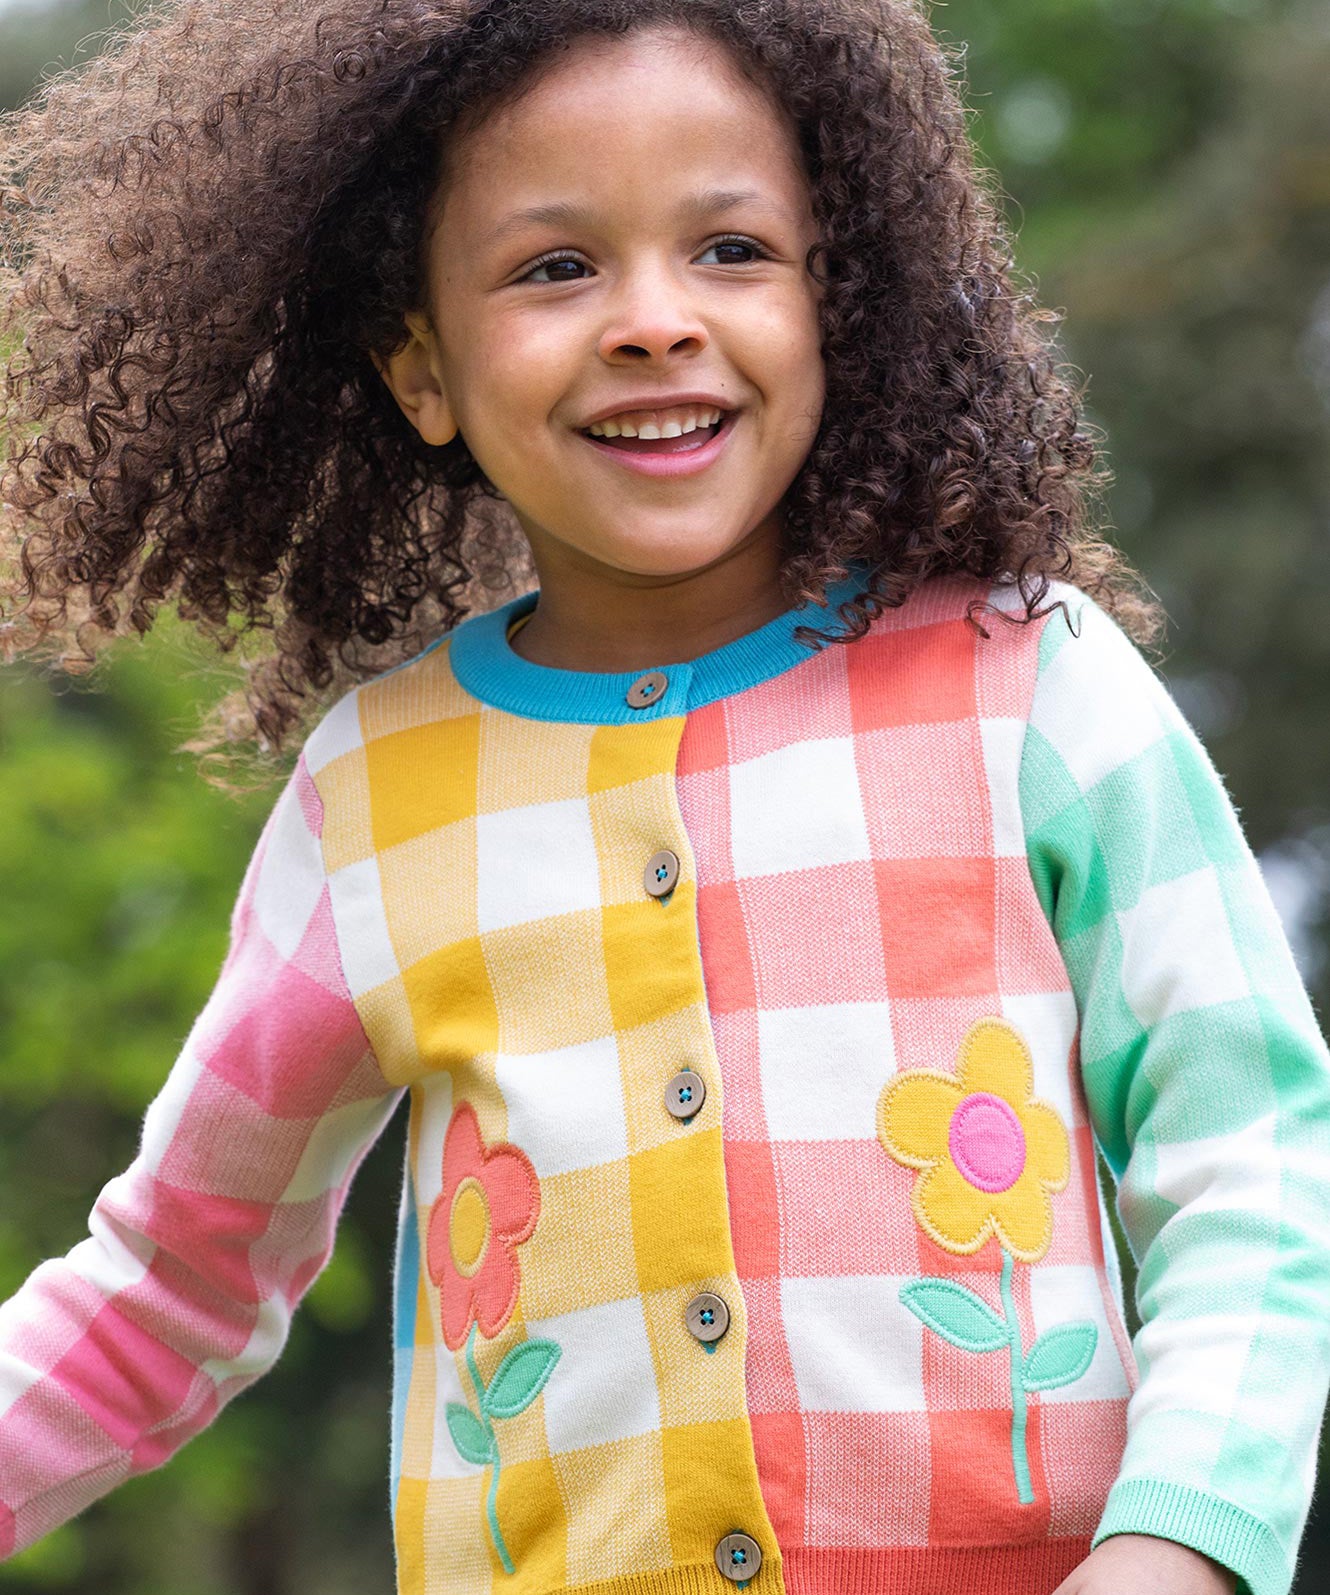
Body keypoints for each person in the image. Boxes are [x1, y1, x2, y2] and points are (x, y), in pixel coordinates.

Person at [1, 1, 1327, 1593]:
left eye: (732, 250)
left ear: (839, 304)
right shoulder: (375, 794)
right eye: (554, 267)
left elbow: (1252, 1152)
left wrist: (1181, 1545)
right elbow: (169, 1286)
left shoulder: (1029, 681)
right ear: (419, 366)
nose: (650, 319)